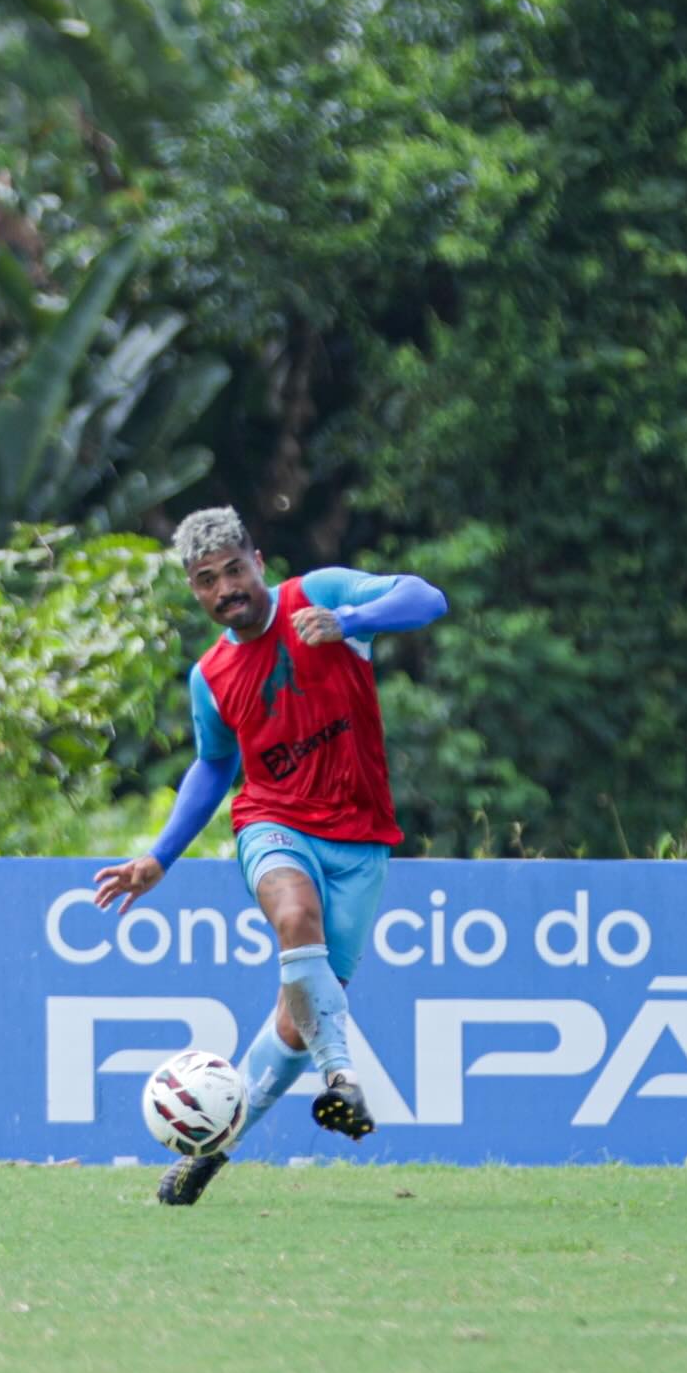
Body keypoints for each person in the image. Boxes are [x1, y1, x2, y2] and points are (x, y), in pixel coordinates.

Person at [93, 506, 448, 1205]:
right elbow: (213, 766)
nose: (226, 588)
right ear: (195, 592)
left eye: (234, 569)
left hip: (360, 839)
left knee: (297, 1018)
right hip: (273, 821)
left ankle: (214, 1146)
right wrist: (159, 857)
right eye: (207, 579)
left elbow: (426, 598)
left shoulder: (320, 596)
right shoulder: (211, 676)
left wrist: (350, 624)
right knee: (293, 912)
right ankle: (342, 1080)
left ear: (258, 560)